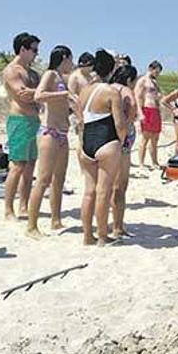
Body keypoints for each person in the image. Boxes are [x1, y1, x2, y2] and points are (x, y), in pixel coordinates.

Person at [76, 50, 126, 245]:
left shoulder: (84, 91)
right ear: (111, 69)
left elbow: (80, 120)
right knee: (104, 191)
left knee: (89, 191)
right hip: (107, 140)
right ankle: (103, 236)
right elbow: (120, 123)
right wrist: (120, 143)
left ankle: (87, 236)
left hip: (87, 141)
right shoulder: (111, 91)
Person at [26, 46, 76, 238]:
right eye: (71, 59)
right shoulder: (50, 74)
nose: (72, 63)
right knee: (43, 179)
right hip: (49, 132)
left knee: (59, 180)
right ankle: (31, 225)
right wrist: (63, 95)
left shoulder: (63, 78)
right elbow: (38, 95)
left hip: (63, 132)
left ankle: (56, 219)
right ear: (64, 57)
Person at [2, 32, 42, 220]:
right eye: (33, 49)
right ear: (23, 49)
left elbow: (41, 93)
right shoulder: (12, 70)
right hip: (19, 120)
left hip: (34, 121)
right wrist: (42, 93)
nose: (36, 53)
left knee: (30, 166)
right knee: (17, 166)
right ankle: (8, 209)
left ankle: (24, 206)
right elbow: (22, 94)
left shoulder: (33, 73)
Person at [110, 65, 140, 239]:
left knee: (105, 183)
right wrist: (128, 121)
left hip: (104, 136)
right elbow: (133, 106)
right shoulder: (126, 90)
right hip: (123, 138)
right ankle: (118, 227)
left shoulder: (106, 88)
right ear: (129, 79)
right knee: (120, 185)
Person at [134, 60, 163, 170]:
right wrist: (140, 113)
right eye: (156, 71)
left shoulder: (155, 82)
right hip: (146, 109)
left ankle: (154, 161)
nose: (157, 74)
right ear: (150, 68)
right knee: (145, 138)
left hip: (155, 110)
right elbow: (137, 96)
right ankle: (141, 163)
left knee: (155, 138)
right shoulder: (142, 80)